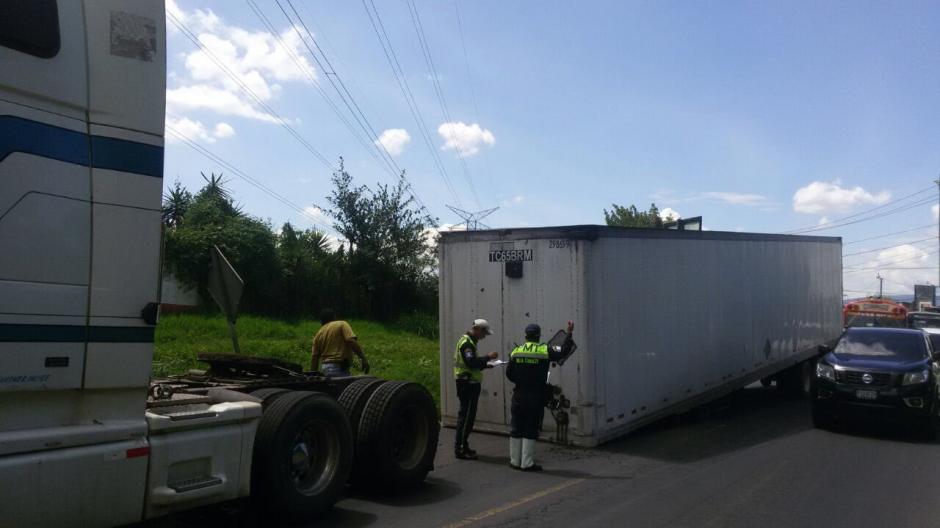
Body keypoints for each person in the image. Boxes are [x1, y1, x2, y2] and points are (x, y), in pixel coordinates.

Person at [506, 321, 575, 471]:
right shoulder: (545, 350)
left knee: (516, 427)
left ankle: (514, 461)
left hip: (518, 395)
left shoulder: (516, 351)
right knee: (531, 427)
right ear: (538, 336)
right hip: (535, 395)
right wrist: (569, 333)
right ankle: (527, 463)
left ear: (526, 336)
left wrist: (520, 381)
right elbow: (563, 352)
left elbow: (509, 374)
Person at [453, 318, 499, 460]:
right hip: (467, 384)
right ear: (477, 329)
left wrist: (486, 365)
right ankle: (460, 449)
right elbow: (471, 362)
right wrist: (487, 357)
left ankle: (464, 445)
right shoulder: (467, 343)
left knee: (468, 417)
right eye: (484, 333)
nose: (484, 336)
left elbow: (472, 364)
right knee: (466, 417)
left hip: (469, 382)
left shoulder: (470, 342)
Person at [311, 309, 370, 377]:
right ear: (334, 317)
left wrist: (313, 376)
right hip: (339, 367)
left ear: (321, 321)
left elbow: (314, 358)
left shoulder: (318, 334)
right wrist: (363, 358)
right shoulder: (341, 324)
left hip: (325, 368)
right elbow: (350, 341)